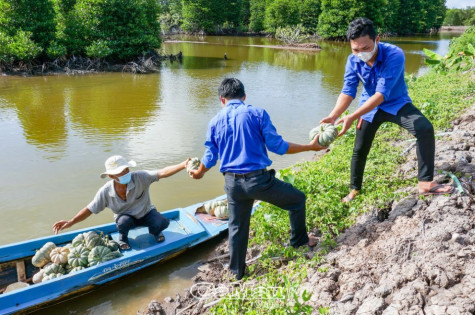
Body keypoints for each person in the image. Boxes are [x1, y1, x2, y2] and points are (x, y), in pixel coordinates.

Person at [189, 78, 326, 280]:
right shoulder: (257, 114)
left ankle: (236, 272)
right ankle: (299, 241)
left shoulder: (214, 122)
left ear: (222, 99)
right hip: (258, 182)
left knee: (237, 227)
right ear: (244, 97)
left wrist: (198, 172)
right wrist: (311, 147)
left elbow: (210, 157)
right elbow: (278, 147)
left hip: (232, 184)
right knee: (297, 200)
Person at [320, 17, 453, 203]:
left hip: (396, 103)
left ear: (377, 40)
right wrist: (334, 115)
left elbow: (381, 95)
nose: (361, 54)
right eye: (355, 49)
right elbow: (348, 91)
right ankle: (354, 190)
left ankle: (425, 184)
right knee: (360, 148)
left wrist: (351, 116)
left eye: (365, 48)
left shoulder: (394, 55)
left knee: (424, 128)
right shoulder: (353, 61)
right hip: (369, 108)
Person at [53, 155, 190, 250]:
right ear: (111, 176)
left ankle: (155, 232)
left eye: (126, 169)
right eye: (120, 172)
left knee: (162, 222)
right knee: (123, 222)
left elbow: (162, 173)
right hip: (126, 218)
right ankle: (123, 238)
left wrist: (183, 165)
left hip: (146, 213)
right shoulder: (105, 191)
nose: (125, 173)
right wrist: (71, 222)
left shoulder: (140, 177)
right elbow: (90, 209)